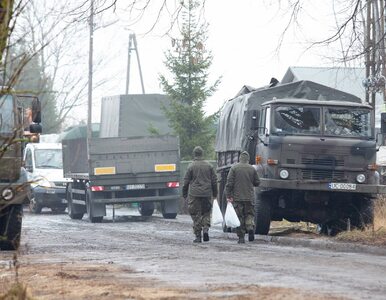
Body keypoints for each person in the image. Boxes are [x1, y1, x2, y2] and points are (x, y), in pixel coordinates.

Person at [182, 146, 218, 243]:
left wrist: (184, 194)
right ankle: (206, 228)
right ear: (202, 154)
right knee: (206, 212)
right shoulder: (209, 166)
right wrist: (215, 193)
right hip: (206, 193)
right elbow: (214, 181)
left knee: (195, 214)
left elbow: (186, 182)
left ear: (194, 154)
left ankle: (198, 236)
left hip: (194, 194)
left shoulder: (191, 166)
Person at [225, 151, 260, 244]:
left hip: (237, 198)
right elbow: (257, 182)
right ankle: (250, 227)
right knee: (249, 215)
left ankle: (241, 238)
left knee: (239, 217)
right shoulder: (252, 169)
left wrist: (228, 195)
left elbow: (229, 183)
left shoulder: (234, 168)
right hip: (249, 197)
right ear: (248, 159)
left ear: (240, 158)